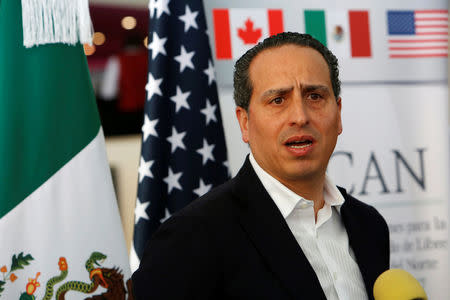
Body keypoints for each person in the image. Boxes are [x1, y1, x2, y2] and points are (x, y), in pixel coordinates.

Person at [132, 32, 390, 300]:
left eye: (314, 96)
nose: (300, 117)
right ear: (245, 122)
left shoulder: (369, 226)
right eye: (278, 100)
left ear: (338, 114)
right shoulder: (191, 238)